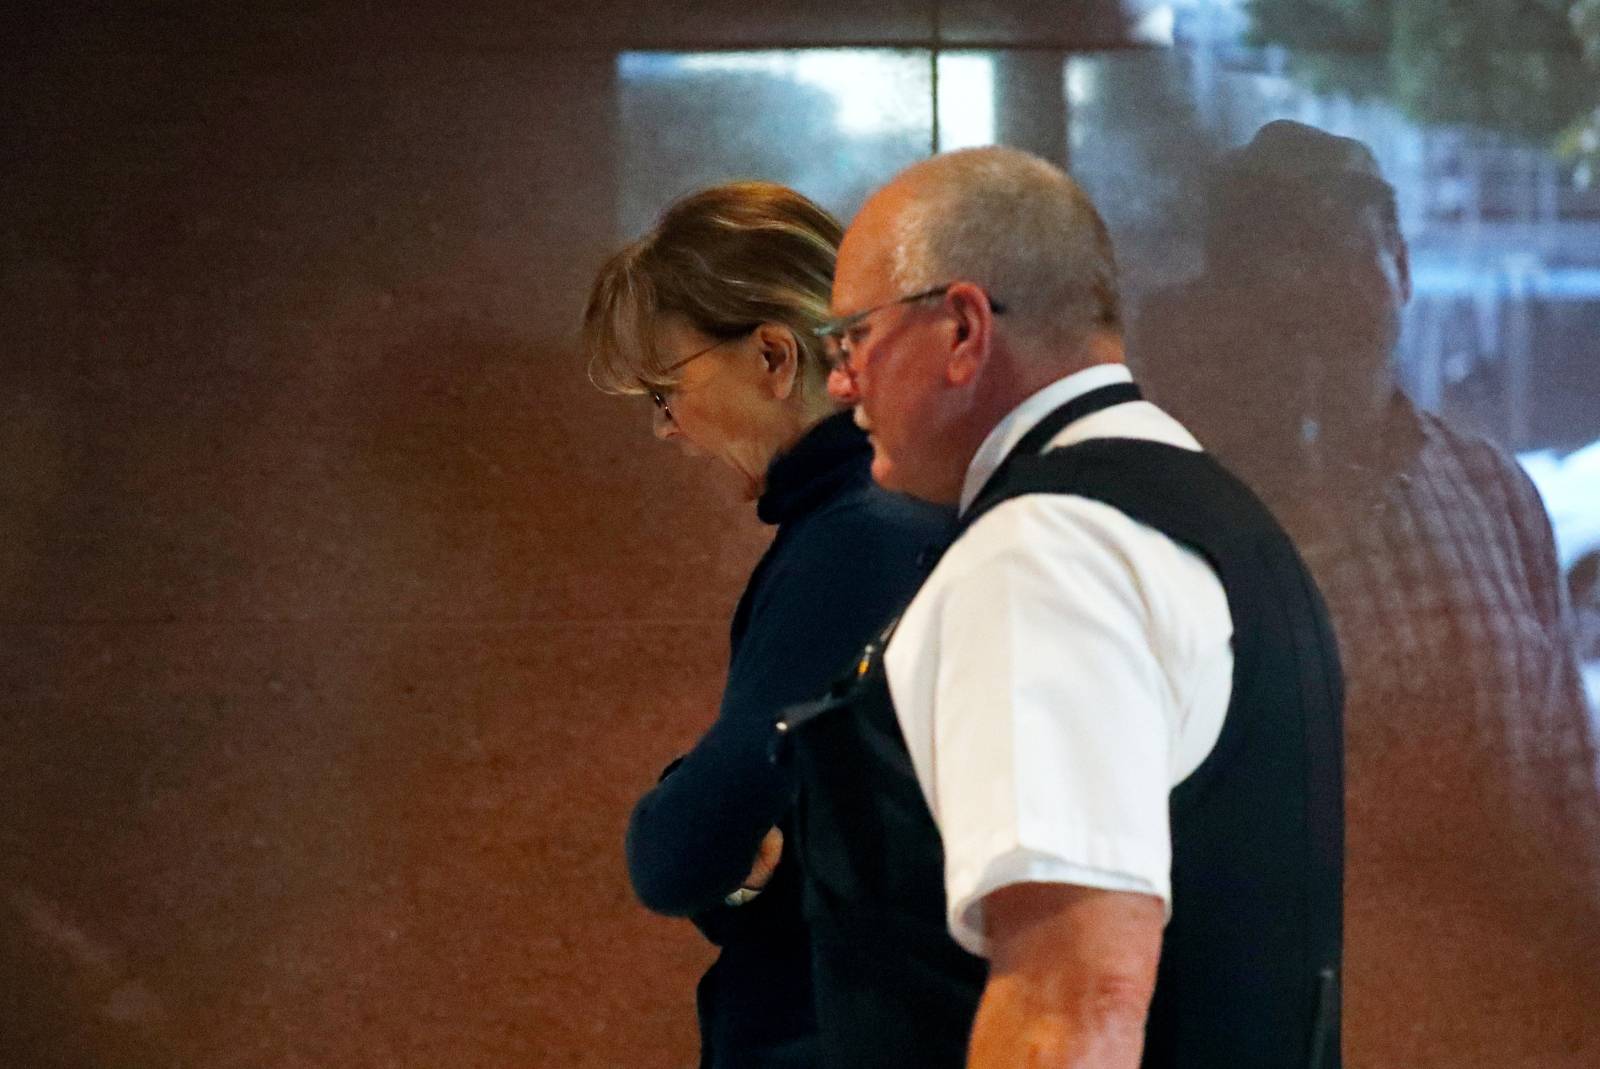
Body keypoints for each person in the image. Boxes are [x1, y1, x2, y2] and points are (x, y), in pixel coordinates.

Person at [777, 146, 1345, 1068]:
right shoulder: (1215, 517)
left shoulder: (1044, 551)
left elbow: (1072, 1005)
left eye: (852, 338)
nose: (840, 384)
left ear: (963, 327)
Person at [1132, 120, 1600, 1067]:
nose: (1331, 291)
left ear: (1401, 268)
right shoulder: (1190, 503)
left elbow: (1564, 774)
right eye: (1291, 258)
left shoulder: (1487, 486)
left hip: (1513, 1006)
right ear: (1239, 295)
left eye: (1355, 252)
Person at [582, 181, 951, 1069]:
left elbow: (683, 848)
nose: (665, 430)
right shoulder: (893, 512)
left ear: (774, 356)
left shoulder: (859, 535)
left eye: (665, 390)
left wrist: (700, 817)